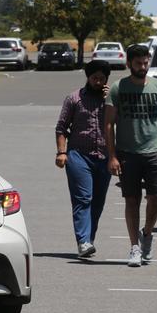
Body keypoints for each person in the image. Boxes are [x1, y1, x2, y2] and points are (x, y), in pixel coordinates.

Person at [105, 44, 157, 267]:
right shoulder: (119, 88)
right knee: (132, 200)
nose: (143, 67)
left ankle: (148, 233)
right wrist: (112, 156)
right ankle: (134, 247)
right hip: (128, 153)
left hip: (154, 151)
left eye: (146, 63)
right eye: (138, 63)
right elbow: (108, 124)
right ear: (129, 64)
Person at [55, 60, 112, 258]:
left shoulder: (111, 99)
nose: (97, 82)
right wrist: (61, 152)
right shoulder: (74, 99)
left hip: (104, 157)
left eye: (101, 79)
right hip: (78, 156)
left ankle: (89, 239)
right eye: (94, 78)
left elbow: (119, 123)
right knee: (83, 198)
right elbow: (61, 127)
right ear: (88, 77)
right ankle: (83, 241)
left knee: (98, 202)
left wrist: (109, 100)